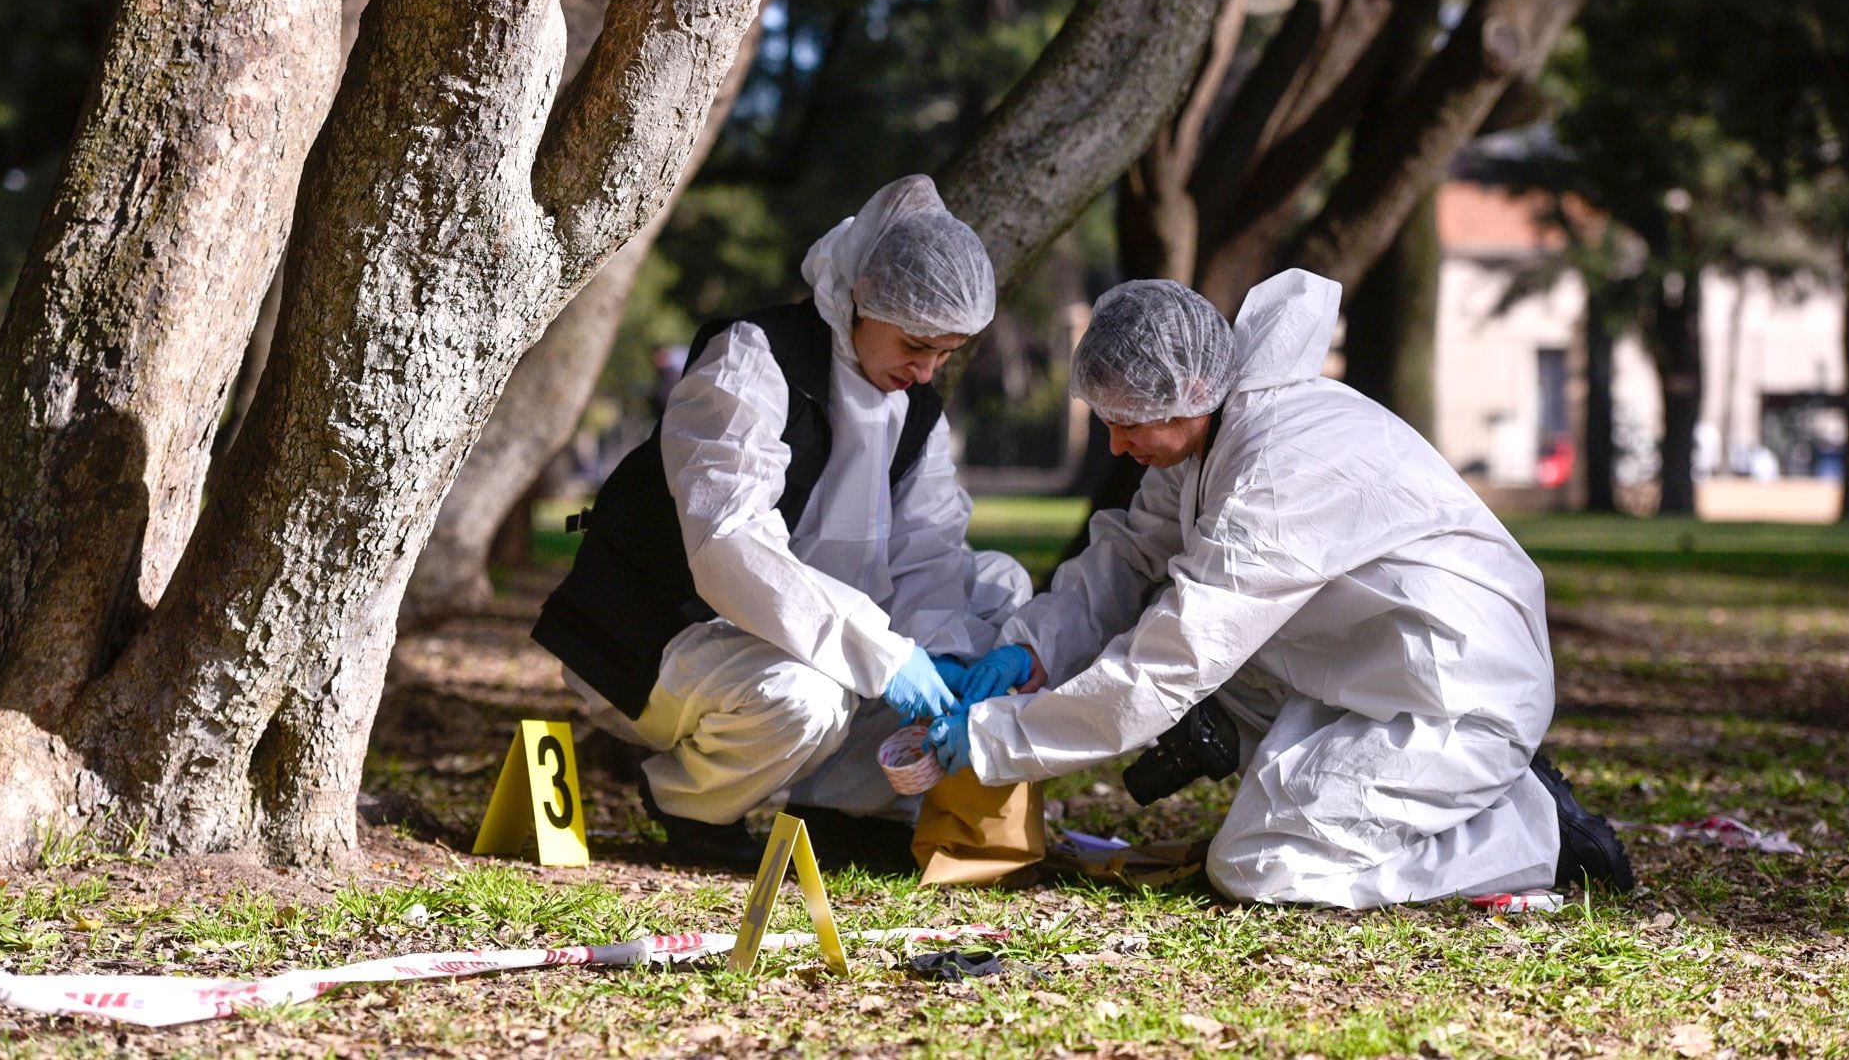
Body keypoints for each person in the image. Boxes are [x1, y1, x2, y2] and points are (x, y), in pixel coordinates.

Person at [927, 270, 1634, 909]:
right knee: (1156, 620)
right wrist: (1031, 652)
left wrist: (999, 737)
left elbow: (1177, 657)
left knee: (1261, 867)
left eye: (1124, 425)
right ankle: (1421, 794)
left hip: (1458, 696)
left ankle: (1530, 831)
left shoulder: (1276, 469)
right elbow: (1127, 556)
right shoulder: (1216, 432)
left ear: (1183, 398)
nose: (1114, 447)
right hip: (1378, 671)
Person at [534, 175, 1029, 871]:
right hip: (662, 635)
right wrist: (885, 655)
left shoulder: (915, 411)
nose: (925, 371)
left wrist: (941, 654)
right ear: (862, 294)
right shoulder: (752, 360)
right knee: (811, 696)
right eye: (916, 343)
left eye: (946, 352)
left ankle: (843, 811)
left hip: (790, 639)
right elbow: (729, 547)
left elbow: (931, 553)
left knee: (995, 593)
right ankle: (690, 804)